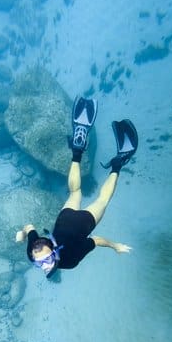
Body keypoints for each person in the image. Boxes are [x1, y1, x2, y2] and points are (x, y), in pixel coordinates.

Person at [15, 96, 137, 279]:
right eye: (40, 263)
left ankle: (118, 163)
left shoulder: (70, 261)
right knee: (75, 191)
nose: (44, 266)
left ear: (52, 251)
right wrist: (23, 234)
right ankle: (77, 149)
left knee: (103, 199)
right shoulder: (34, 247)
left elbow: (96, 240)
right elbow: (30, 226)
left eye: (46, 260)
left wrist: (115, 246)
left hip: (83, 223)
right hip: (65, 219)